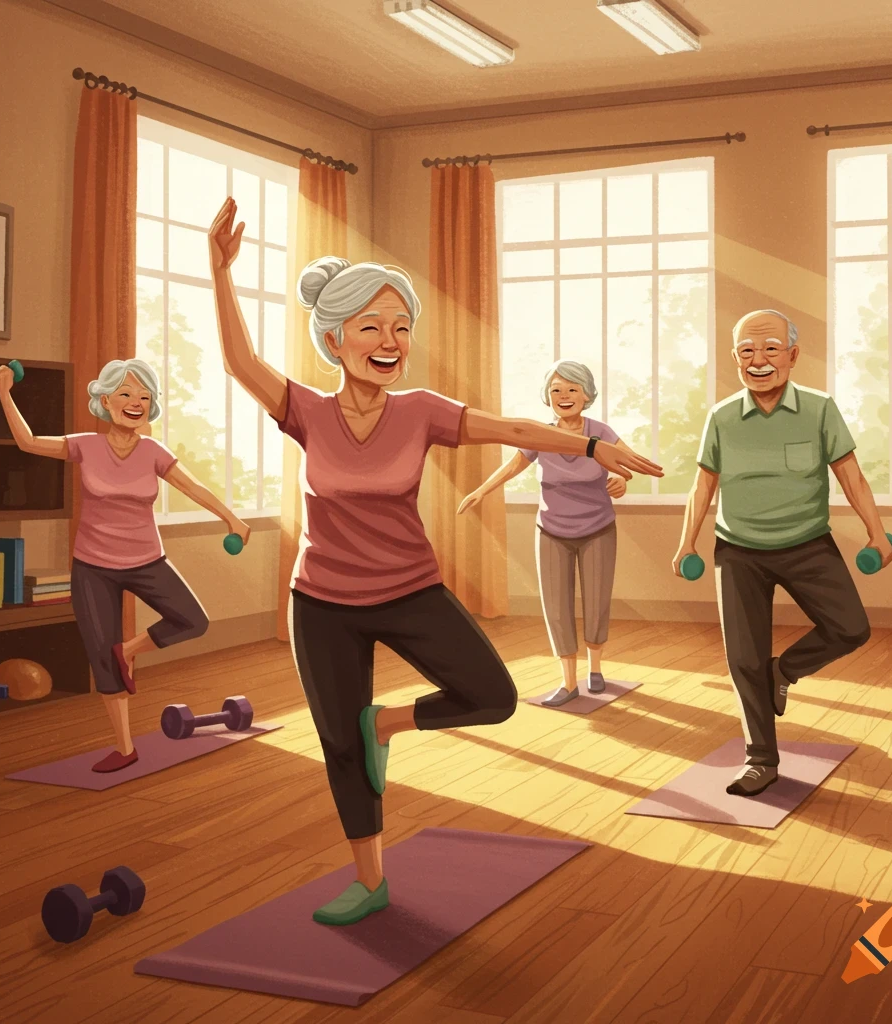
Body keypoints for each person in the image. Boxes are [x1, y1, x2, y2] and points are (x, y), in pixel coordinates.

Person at [207, 196, 661, 926]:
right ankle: (370, 880)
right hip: (321, 602)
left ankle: (387, 724)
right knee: (338, 746)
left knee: (492, 695)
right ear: (334, 339)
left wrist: (589, 445)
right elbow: (240, 361)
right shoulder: (305, 412)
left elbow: (511, 429)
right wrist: (220, 271)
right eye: (372, 327)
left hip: (409, 591)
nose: (391, 341)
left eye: (402, 327)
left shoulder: (419, 410)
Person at [672, 309, 892, 797]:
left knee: (850, 628)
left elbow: (850, 475)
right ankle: (760, 761)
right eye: (747, 351)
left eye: (771, 349)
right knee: (743, 659)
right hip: (738, 551)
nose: (759, 360)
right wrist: (687, 542)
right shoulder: (721, 417)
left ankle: (784, 671)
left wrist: (877, 533)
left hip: (807, 542)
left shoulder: (820, 409)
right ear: (735, 359)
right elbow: (703, 484)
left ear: (792, 355)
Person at [0, 358, 250, 772]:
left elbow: (193, 487)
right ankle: (125, 747)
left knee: (192, 620)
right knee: (102, 658)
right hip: (93, 566)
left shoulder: (153, 452)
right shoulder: (85, 445)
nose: (136, 403)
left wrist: (231, 518)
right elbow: (28, 442)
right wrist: (5, 393)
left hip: (146, 560)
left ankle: (127, 650)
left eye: (144, 397)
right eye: (126, 394)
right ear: (105, 400)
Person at [459, 360, 639, 706]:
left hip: (598, 529)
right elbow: (513, 465)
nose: (564, 396)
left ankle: (595, 669)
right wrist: (482, 490)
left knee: (596, 602)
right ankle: (568, 682)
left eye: (572, 389)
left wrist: (622, 478)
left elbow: (629, 461)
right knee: (556, 608)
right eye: (556, 390)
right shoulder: (541, 435)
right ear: (547, 395)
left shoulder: (600, 432)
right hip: (552, 530)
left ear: (586, 395)